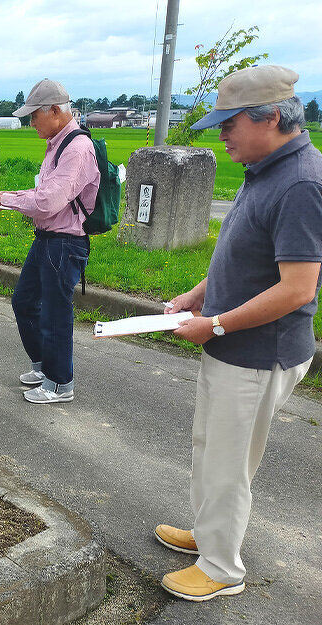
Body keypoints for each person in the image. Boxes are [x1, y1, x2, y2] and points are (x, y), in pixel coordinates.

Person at [158, 65, 322, 602]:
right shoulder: (265, 169)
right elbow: (248, 256)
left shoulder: (302, 183)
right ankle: (208, 535)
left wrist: (217, 323)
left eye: (230, 123)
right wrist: (198, 295)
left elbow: (296, 288)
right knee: (210, 448)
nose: (222, 134)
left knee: (230, 462)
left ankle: (222, 568)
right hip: (230, 343)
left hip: (258, 352)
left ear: (270, 117)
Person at [0, 79, 99, 404]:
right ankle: (45, 367)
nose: (31, 123)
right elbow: (42, 192)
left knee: (55, 314)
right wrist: (6, 198)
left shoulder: (76, 148)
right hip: (47, 238)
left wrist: (5, 198)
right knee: (24, 301)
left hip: (65, 242)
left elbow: (48, 201)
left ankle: (60, 383)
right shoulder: (57, 144)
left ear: (55, 111)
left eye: (34, 116)